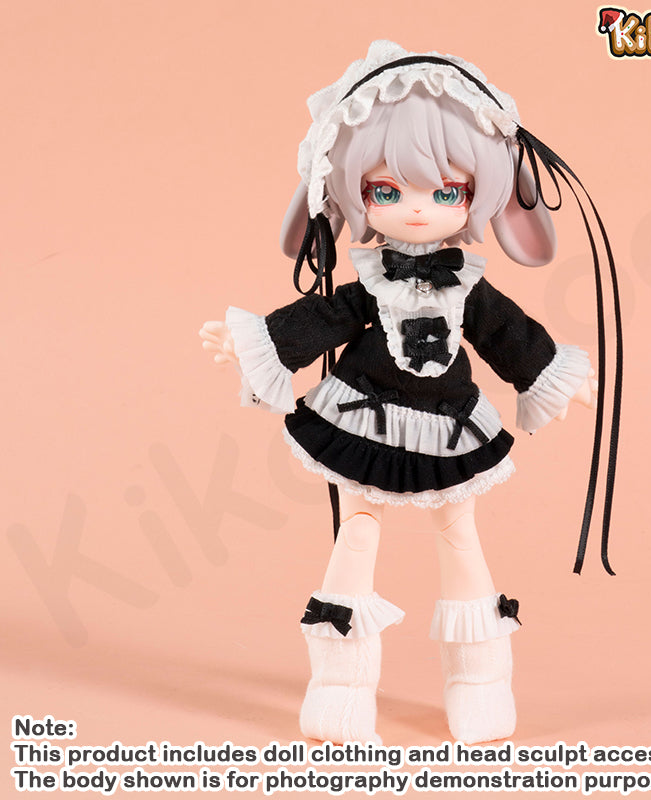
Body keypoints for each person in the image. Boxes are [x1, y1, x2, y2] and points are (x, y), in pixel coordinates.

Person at [200, 40, 619, 744]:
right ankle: (340, 689)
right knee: (357, 532)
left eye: (447, 192)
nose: (418, 211)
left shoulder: (469, 286)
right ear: (351, 194)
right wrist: (260, 343)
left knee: (459, 535)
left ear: (479, 195)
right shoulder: (370, 281)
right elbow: (326, 317)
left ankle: (479, 685)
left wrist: (556, 375)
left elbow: (507, 333)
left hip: (450, 424)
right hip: (363, 416)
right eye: (386, 192)